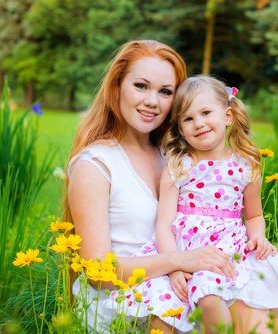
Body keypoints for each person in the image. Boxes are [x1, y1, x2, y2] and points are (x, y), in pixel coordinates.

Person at [114, 75, 278, 333]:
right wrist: (174, 268)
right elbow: (164, 225)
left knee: (229, 297)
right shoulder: (179, 166)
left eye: (206, 112)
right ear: (180, 128)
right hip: (187, 251)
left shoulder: (245, 166)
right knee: (201, 301)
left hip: (227, 251)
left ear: (228, 116)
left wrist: (259, 237)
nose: (198, 123)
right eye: (188, 119)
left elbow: (254, 215)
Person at [64, 41, 236, 332]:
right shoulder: (95, 165)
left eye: (165, 92)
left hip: (183, 288)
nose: (152, 101)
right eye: (141, 86)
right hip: (123, 306)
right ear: (117, 87)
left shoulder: (173, 157)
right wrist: (178, 260)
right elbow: (98, 272)